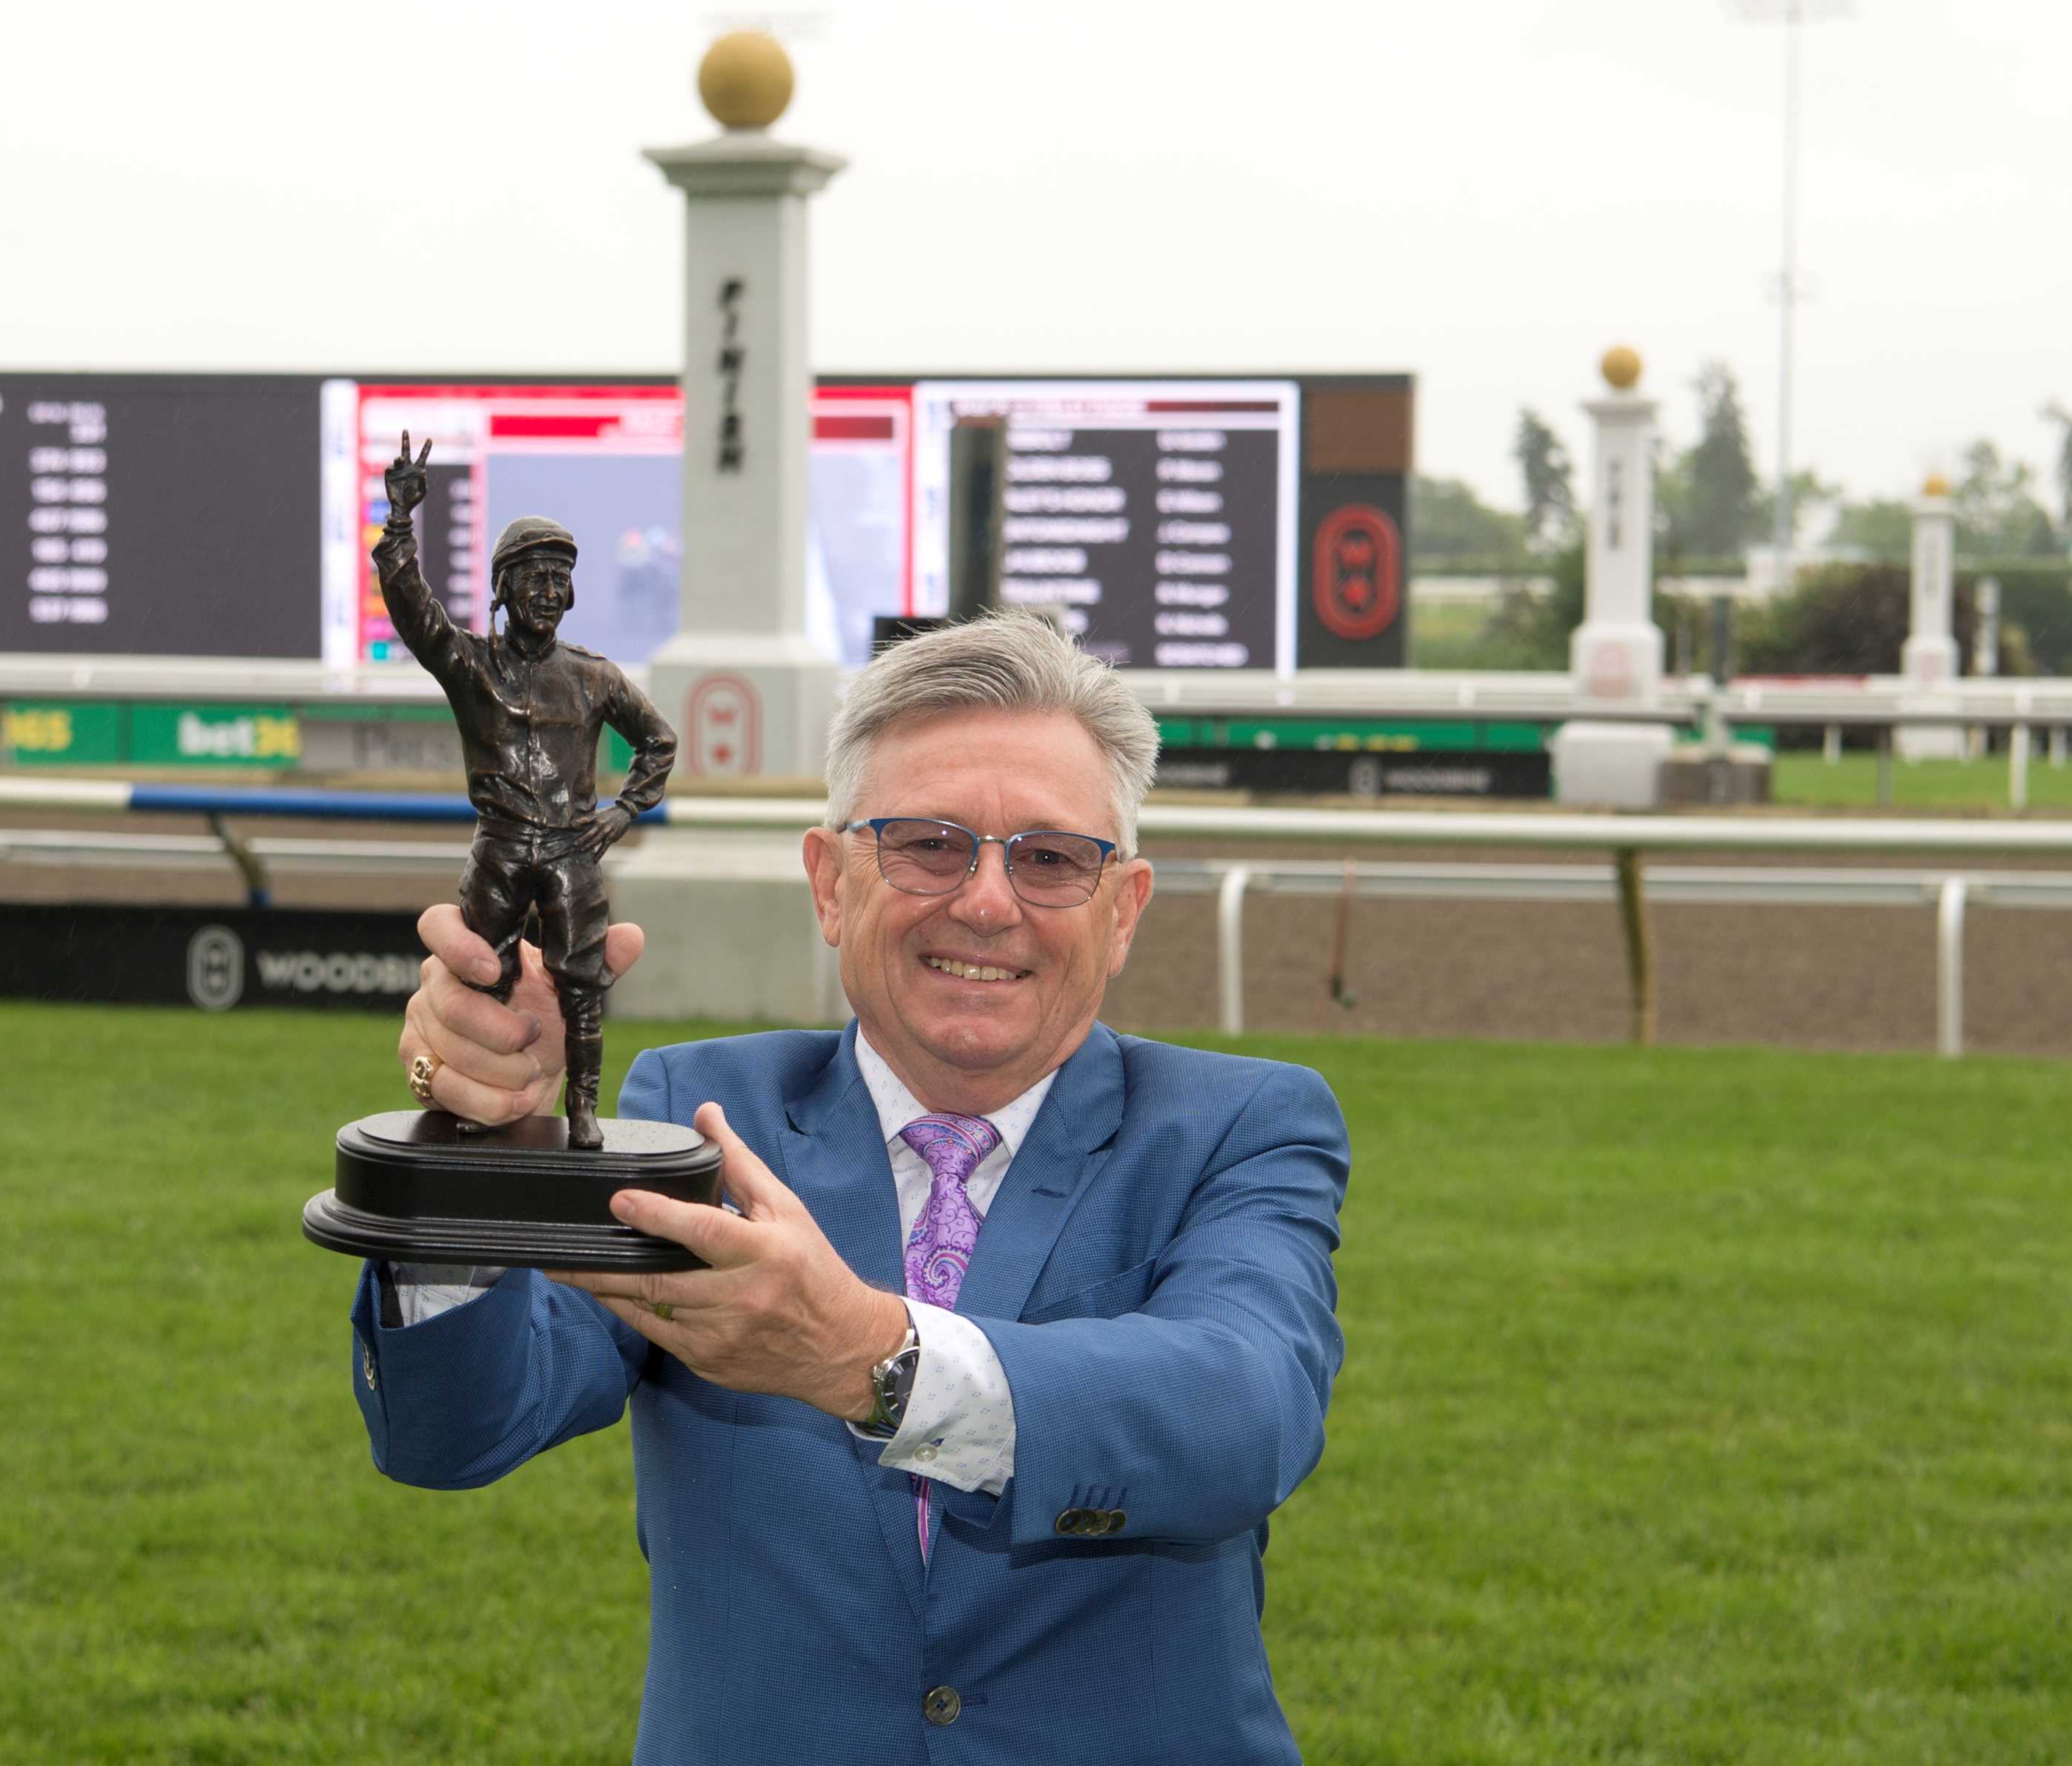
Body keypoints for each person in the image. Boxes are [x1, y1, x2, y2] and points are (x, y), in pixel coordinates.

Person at [350, 611, 1349, 1765]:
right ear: (830, 885)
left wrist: (866, 1356)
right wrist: (474, 1139)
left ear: (1122, 909)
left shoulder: (1241, 1127)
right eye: (929, 844)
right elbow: (455, 1430)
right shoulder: (701, 1114)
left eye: (1051, 858)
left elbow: (1243, 1414)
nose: (986, 902)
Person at [372, 431, 675, 1146]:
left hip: (573, 853)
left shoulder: (595, 676)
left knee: (582, 988)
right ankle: (477, 1101)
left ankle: (583, 1110)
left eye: (560, 578)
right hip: (500, 849)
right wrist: (400, 523)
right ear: (501, 588)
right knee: (480, 974)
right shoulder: (469, 663)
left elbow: (658, 741)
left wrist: (623, 810)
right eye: (534, 576)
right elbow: (414, 607)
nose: (549, 591)